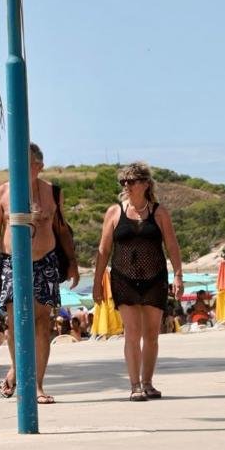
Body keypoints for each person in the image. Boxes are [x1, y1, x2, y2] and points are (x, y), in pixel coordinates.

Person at [0, 142, 79, 404]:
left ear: (38, 166)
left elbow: (62, 230)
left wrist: (72, 262)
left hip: (45, 261)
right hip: (13, 262)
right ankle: (20, 372)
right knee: (16, 322)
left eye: (25, 163)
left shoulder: (52, 192)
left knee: (42, 323)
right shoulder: (1, 193)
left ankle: (35, 384)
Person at [93, 161, 184, 401]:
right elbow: (103, 250)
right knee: (132, 333)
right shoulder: (114, 212)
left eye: (131, 181)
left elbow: (172, 245)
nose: (126, 186)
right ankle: (135, 385)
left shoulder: (159, 212)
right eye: (123, 181)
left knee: (152, 334)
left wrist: (178, 274)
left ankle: (148, 382)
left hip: (155, 278)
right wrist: (96, 283)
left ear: (145, 184)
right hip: (124, 279)